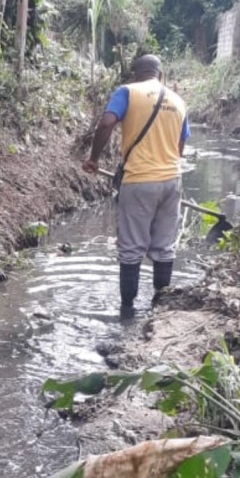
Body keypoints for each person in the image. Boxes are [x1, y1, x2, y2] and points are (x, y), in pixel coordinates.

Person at [82, 55, 188, 316]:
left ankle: (127, 313)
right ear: (160, 75)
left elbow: (107, 122)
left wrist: (94, 158)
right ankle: (160, 311)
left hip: (139, 181)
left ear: (135, 74)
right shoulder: (178, 101)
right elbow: (180, 147)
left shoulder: (127, 92)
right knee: (164, 247)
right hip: (172, 181)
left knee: (131, 250)